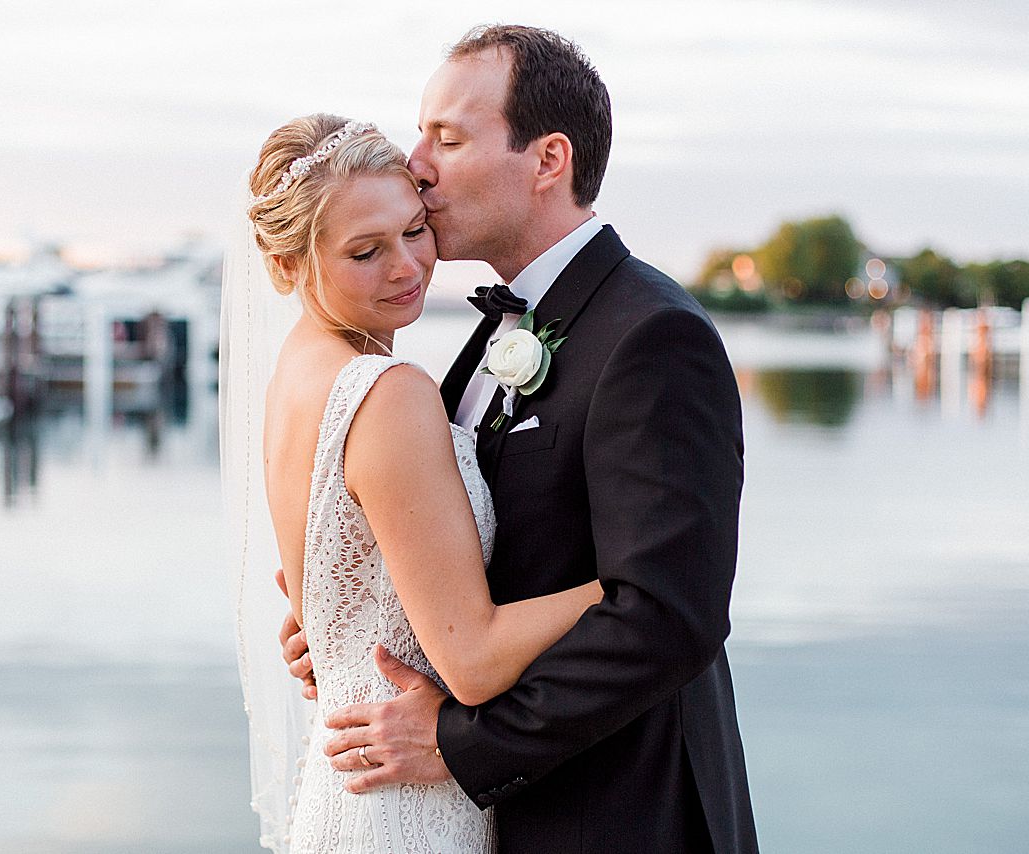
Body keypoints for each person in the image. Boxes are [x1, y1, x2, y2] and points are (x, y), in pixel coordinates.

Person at [284, 25, 759, 853]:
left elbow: (668, 615)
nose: (417, 162)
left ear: (547, 160)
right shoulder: (483, 342)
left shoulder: (653, 336)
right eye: (421, 131)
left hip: (616, 817)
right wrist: (354, 616)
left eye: (449, 137)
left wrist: (458, 744)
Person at [222, 114, 603, 852]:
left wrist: (326, 641)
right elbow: (474, 656)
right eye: (366, 252)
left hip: (351, 783)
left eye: (413, 231)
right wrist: (624, 584)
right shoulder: (386, 392)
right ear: (285, 266)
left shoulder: (296, 377)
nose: (406, 267)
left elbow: (338, 601)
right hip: (406, 799)